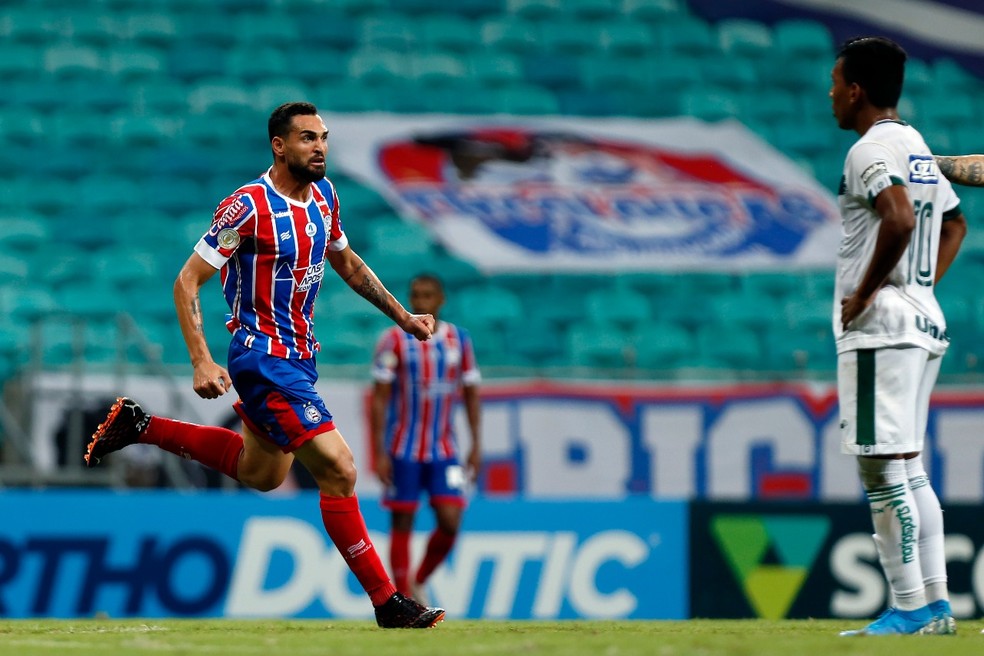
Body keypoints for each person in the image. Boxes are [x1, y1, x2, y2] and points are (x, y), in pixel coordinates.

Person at [84, 102, 445, 629]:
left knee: (263, 473)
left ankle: (141, 426)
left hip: (300, 356)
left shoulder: (324, 197)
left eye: (322, 137)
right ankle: (388, 602)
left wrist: (404, 318)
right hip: (262, 357)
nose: (319, 146)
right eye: (306, 138)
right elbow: (187, 281)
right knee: (340, 470)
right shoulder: (247, 208)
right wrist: (202, 360)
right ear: (279, 146)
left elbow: (347, 262)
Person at [829, 37, 967, 636]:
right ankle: (936, 605)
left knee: (880, 469)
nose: (830, 94)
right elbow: (955, 222)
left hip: (882, 328)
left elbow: (900, 217)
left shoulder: (869, 150)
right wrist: (921, 284)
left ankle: (910, 605)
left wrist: (865, 294)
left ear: (856, 90)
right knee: (909, 468)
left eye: (835, 83)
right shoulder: (916, 146)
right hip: (923, 317)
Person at [370, 273, 482, 603]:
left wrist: (476, 444)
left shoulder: (460, 340)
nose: (421, 302)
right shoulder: (393, 339)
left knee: (451, 520)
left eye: (428, 295)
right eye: (416, 295)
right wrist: (379, 450)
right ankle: (405, 596)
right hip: (403, 448)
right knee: (402, 519)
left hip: (447, 452)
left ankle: (419, 580)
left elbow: (472, 394)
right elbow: (379, 397)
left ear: (441, 299)